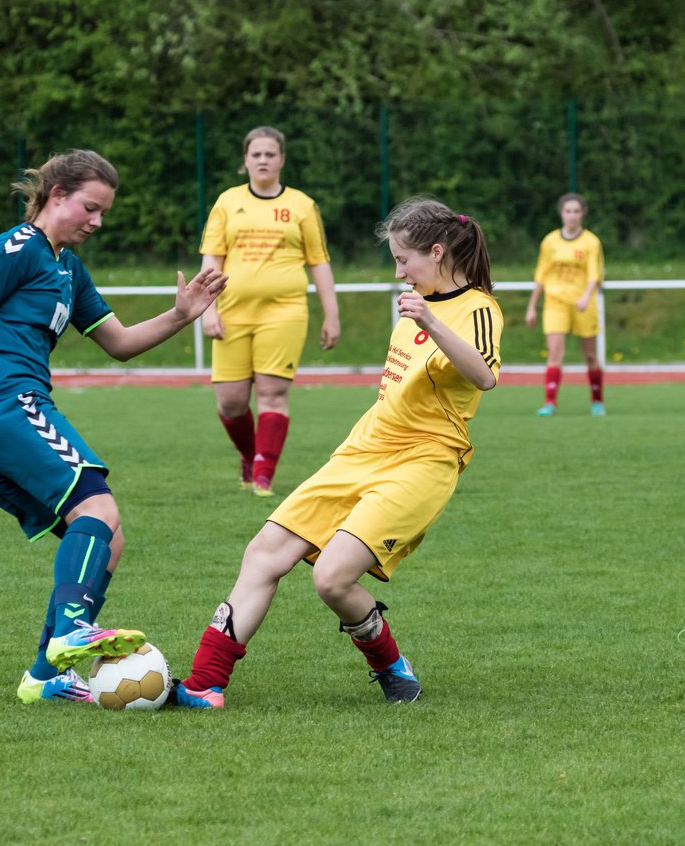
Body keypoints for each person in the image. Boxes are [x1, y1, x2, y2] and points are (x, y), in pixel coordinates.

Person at [0, 149, 226, 705]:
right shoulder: (15, 249)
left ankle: (45, 676)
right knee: (99, 510)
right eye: (90, 208)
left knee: (106, 540)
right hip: (3, 405)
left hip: (8, 414)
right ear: (56, 195)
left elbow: (117, 343)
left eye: (103, 213)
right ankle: (71, 633)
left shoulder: (68, 268)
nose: (97, 221)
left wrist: (180, 315)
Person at [175, 198, 502, 709]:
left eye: (403, 260)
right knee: (264, 551)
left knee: (331, 577)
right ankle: (202, 684)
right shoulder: (414, 302)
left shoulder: (477, 308)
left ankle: (390, 664)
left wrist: (432, 322)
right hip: (364, 447)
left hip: (425, 460)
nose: (399, 273)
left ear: (437, 252)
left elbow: (485, 375)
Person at [199, 126, 340, 498]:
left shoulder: (302, 205)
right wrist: (207, 310)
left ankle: (263, 474)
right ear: (245, 161)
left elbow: (319, 262)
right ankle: (251, 454)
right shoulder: (227, 202)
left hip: (285, 311)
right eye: (256, 154)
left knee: (272, 395)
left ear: (282, 160)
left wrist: (332, 314)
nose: (263, 160)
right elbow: (212, 259)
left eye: (270, 154)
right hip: (232, 312)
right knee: (230, 402)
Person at [525, 193, 605, 417]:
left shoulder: (591, 242)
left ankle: (597, 400)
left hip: (583, 304)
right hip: (555, 303)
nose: (572, 216)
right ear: (561, 213)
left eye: (576, 211)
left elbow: (594, 275)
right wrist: (532, 307)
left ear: (583, 213)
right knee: (554, 353)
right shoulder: (550, 242)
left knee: (590, 356)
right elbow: (541, 276)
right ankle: (550, 402)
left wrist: (586, 296)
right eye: (568, 211)